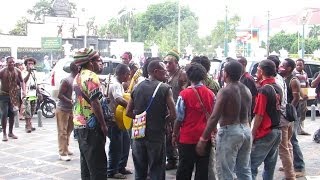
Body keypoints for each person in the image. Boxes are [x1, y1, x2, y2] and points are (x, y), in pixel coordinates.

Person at [196, 60, 253, 180]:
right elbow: (249, 114)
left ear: (226, 74)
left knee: (225, 171)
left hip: (230, 131)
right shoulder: (246, 90)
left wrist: (203, 138)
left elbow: (214, 116)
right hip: (246, 130)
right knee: (244, 169)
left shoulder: (225, 91)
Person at [126, 60, 176, 180]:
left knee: (139, 170)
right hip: (156, 135)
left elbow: (128, 112)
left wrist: (140, 119)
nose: (166, 74)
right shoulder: (165, 88)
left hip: (138, 134)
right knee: (157, 169)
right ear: (156, 71)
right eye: (164, 72)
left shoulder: (137, 87)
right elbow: (174, 114)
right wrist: (163, 122)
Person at [173, 63, 214, 180]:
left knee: (184, 169)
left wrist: (174, 134)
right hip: (205, 137)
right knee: (202, 170)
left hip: (187, 137)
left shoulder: (184, 94)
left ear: (189, 77)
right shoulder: (210, 94)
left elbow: (179, 118)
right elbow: (213, 116)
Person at [73, 48, 108, 180]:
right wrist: (103, 125)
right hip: (92, 127)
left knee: (87, 166)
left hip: (80, 126)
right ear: (90, 61)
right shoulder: (91, 76)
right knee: (98, 167)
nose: (100, 62)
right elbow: (95, 103)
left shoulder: (78, 76)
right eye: (97, 59)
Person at [250, 60, 282, 180]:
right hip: (277, 130)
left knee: (251, 165)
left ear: (262, 71)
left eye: (258, 69)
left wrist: (253, 133)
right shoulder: (277, 87)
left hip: (266, 132)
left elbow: (259, 114)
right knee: (270, 166)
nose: (256, 71)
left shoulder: (264, 90)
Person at [268, 55, 296, 180]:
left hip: (282, 118)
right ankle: (289, 169)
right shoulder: (280, 78)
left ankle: (290, 175)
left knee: (283, 148)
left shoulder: (275, 81)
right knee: (288, 145)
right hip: (287, 117)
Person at [279, 58, 306, 178]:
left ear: (289, 68)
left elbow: (296, 98)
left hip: (291, 116)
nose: (281, 67)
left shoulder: (293, 80)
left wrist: (290, 111)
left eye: (283, 65)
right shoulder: (285, 78)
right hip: (288, 115)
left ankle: (299, 166)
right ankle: (289, 164)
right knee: (287, 140)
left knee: (293, 140)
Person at [164, 49, 188, 170]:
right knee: (168, 136)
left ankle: (182, 159)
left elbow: (185, 91)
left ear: (176, 63)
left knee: (177, 136)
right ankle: (172, 159)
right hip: (168, 111)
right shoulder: (166, 75)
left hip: (178, 111)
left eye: (170, 62)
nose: (167, 65)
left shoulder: (182, 74)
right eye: (166, 62)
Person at [107, 64, 132, 179]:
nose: (129, 76)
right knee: (116, 147)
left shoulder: (118, 83)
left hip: (120, 120)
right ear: (122, 74)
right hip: (114, 121)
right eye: (127, 74)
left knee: (125, 143)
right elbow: (118, 99)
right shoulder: (116, 84)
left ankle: (121, 167)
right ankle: (112, 171)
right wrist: (130, 107)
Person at [56, 62, 78, 161]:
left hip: (71, 109)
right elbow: (60, 95)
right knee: (62, 131)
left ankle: (66, 148)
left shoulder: (77, 79)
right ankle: (62, 152)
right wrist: (70, 101)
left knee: (69, 130)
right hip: (63, 109)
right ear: (75, 68)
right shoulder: (66, 80)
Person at [0, 57, 25, 141]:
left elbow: (22, 81)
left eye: (13, 62)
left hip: (14, 95)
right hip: (4, 95)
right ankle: (4, 133)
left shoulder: (17, 71)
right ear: (7, 63)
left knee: (12, 114)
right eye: (10, 62)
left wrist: (24, 90)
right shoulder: (2, 71)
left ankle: (10, 132)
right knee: (4, 113)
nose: (11, 63)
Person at [292, 59, 310, 135]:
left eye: (300, 65)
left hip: (304, 97)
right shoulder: (293, 74)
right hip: (297, 96)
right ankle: (297, 129)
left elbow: (307, 84)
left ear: (303, 65)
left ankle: (301, 129)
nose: (299, 66)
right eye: (297, 65)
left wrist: (308, 92)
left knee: (303, 112)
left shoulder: (305, 73)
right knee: (297, 113)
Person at [238, 56, 258, 121]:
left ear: (243, 64)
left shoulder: (247, 78)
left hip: (247, 111)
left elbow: (252, 96)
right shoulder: (241, 78)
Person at [23, 57, 38, 133]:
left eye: (32, 63)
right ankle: (27, 125)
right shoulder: (24, 72)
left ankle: (30, 124)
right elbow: (24, 81)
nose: (30, 65)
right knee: (27, 111)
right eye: (29, 63)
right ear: (26, 65)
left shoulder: (34, 73)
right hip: (27, 94)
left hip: (33, 94)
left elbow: (36, 83)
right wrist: (29, 72)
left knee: (32, 111)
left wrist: (39, 92)